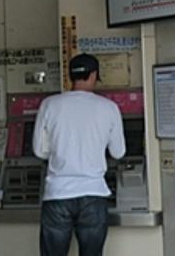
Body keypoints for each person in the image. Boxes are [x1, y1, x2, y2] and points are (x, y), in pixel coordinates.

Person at [32, 53, 126, 256]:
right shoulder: (109, 107)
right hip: (93, 193)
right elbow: (118, 152)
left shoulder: (50, 104)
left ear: (70, 76)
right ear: (94, 75)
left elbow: (40, 151)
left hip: (57, 194)